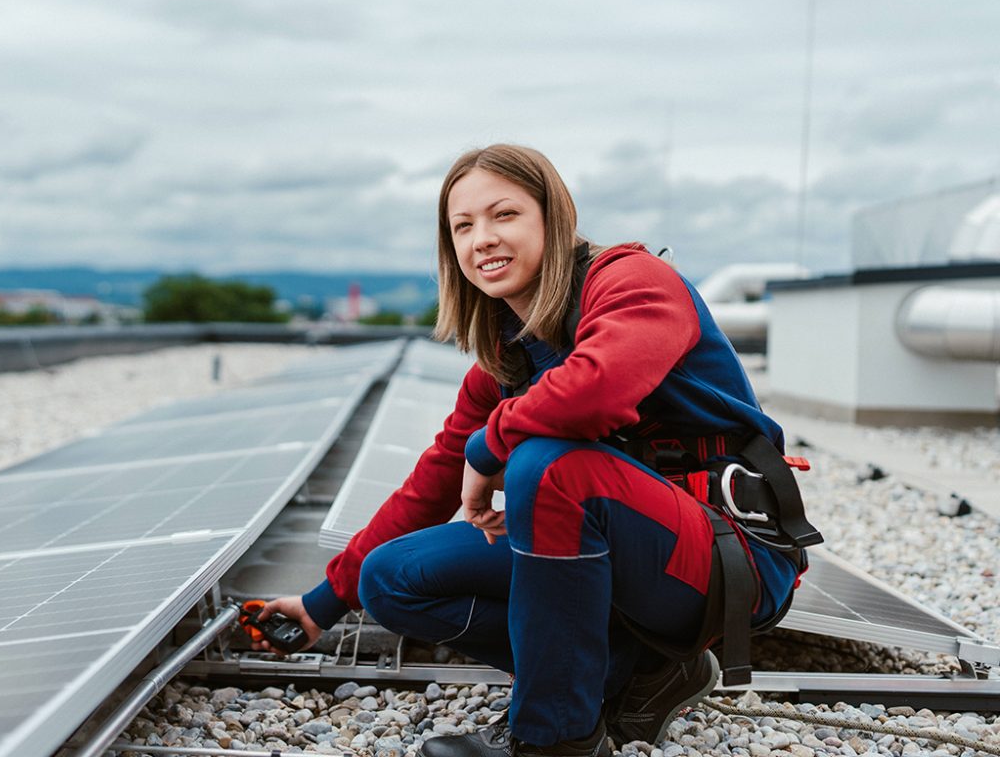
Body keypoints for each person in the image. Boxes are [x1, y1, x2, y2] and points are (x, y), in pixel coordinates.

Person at [253, 144, 808, 757]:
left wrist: (489, 447)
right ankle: (637, 670)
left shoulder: (633, 283)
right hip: (624, 558)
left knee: (550, 468)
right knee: (392, 578)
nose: (482, 239)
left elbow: (594, 392)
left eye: (504, 215)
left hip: (726, 561)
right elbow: (433, 479)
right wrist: (321, 603)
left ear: (553, 216)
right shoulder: (508, 359)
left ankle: (554, 739)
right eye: (463, 226)